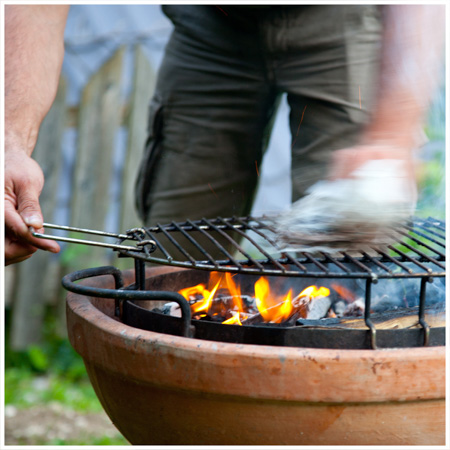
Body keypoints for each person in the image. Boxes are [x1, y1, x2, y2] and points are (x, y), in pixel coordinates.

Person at [4, 5, 444, 265]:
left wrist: (391, 136)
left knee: (350, 262)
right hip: (212, 23)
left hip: (342, 17)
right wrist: (9, 142)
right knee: (171, 255)